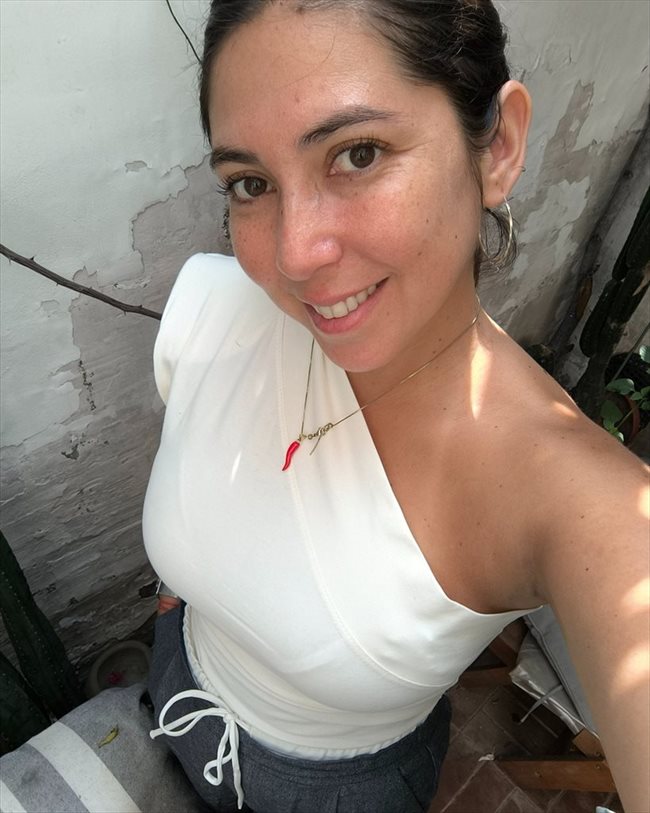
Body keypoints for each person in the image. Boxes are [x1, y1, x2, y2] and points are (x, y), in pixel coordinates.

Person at [142, 2, 649, 811]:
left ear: (498, 146)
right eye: (251, 184)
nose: (295, 255)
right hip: (177, 683)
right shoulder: (212, 305)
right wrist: (188, 592)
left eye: (358, 153)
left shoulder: (561, 492)